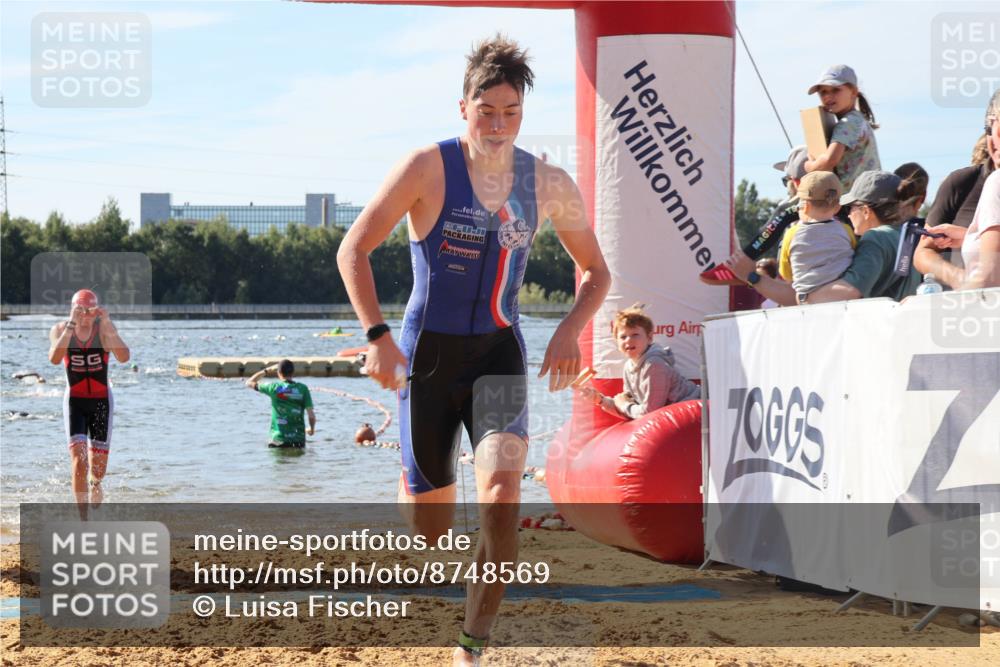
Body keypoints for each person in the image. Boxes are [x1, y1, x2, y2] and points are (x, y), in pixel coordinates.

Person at [336, 35, 610, 666]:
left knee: (502, 500)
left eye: (510, 112)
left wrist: (569, 329)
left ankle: (471, 647)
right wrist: (378, 338)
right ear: (463, 108)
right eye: (486, 111)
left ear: (523, 114)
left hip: (497, 356)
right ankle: (413, 475)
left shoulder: (547, 182)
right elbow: (354, 249)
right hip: (426, 358)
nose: (497, 125)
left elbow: (597, 272)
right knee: (430, 533)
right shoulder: (426, 167)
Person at [731, 170, 922, 305]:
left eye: (851, 207)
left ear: (865, 211)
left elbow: (847, 292)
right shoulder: (906, 235)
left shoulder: (876, 239)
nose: (848, 214)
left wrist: (753, 277)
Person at [47, 289, 130, 520]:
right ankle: (83, 519)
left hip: (101, 402)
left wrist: (108, 323)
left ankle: (96, 483)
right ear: (73, 309)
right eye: (80, 310)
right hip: (75, 402)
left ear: (96, 310)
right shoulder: (60, 329)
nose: (85, 315)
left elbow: (124, 357)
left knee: (98, 468)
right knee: (78, 461)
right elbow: (54, 358)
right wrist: (71, 325)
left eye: (89, 310)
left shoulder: (103, 329)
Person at [699, 145, 807, 285]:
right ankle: (741, 261)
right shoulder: (794, 210)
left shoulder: (791, 208)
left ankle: (740, 262)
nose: (787, 186)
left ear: (797, 180)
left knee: (783, 211)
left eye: (787, 180)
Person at [578, 305, 699, 419]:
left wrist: (624, 405)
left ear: (649, 338)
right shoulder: (629, 366)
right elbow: (630, 409)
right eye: (623, 337)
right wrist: (600, 400)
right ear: (617, 342)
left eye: (635, 334)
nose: (628, 340)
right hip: (677, 415)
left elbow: (650, 412)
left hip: (695, 410)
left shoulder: (654, 365)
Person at [913, 168, 1000, 290]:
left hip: (977, 297)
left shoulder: (996, 181)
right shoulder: (962, 181)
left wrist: (969, 285)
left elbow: (989, 278)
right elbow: (924, 251)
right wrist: (958, 277)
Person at [803, 64, 881, 194]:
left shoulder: (847, 123)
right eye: (823, 92)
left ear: (854, 91)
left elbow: (829, 160)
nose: (828, 96)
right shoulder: (857, 119)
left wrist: (809, 167)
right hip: (869, 194)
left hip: (854, 199)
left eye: (835, 90)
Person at [783, 171, 855, 303]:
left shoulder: (792, 234)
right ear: (837, 208)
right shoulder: (846, 230)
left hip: (808, 300)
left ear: (805, 207)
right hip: (842, 296)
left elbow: (786, 272)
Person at [245, 359, 315, 448]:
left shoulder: (273, 387)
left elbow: (249, 382)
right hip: (298, 440)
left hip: (277, 440)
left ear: (279, 373)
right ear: (293, 372)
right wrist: (311, 430)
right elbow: (311, 416)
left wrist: (268, 370)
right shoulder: (303, 389)